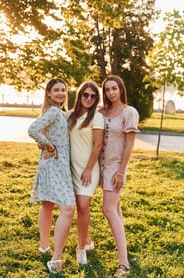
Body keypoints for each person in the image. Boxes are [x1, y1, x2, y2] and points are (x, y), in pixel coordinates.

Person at [28, 78, 75, 274]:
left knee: (47, 204)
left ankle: (43, 245)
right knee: (68, 207)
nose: (60, 93)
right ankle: (55, 258)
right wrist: (48, 145)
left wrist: (46, 143)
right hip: (54, 163)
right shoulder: (55, 111)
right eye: (56, 90)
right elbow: (33, 130)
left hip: (55, 163)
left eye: (63, 90)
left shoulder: (60, 113)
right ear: (48, 93)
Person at [99, 75, 139, 277]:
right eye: (107, 90)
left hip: (116, 166)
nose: (111, 92)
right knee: (115, 208)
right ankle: (125, 252)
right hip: (99, 166)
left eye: (114, 88)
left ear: (121, 89)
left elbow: (130, 145)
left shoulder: (129, 112)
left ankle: (123, 264)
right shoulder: (102, 112)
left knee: (107, 208)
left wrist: (121, 172)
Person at [67, 81, 104, 265]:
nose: (89, 98)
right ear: (79, 95)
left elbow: (98, 145)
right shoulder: (70, 116)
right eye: (85, 95)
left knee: (82, 205)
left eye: (93, 96)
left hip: (88, 169)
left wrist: (89, 168)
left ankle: (80, 248)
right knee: (72, 207)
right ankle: (86, 240)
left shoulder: (96, 118)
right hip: (70, 170)